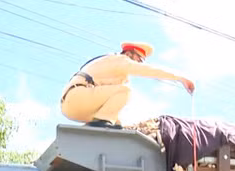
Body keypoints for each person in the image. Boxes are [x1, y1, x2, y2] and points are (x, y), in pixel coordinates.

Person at [60, 41, 195, 129]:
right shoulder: (120, 60)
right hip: (78, 97)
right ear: (129, 53)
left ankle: (98, 125)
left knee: (116, 122)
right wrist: (180, 78)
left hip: (74, 104)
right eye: (139, 59)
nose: (139, 63)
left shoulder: (115, 73)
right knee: (125, 91)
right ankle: (100, 123)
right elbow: (150, 71)